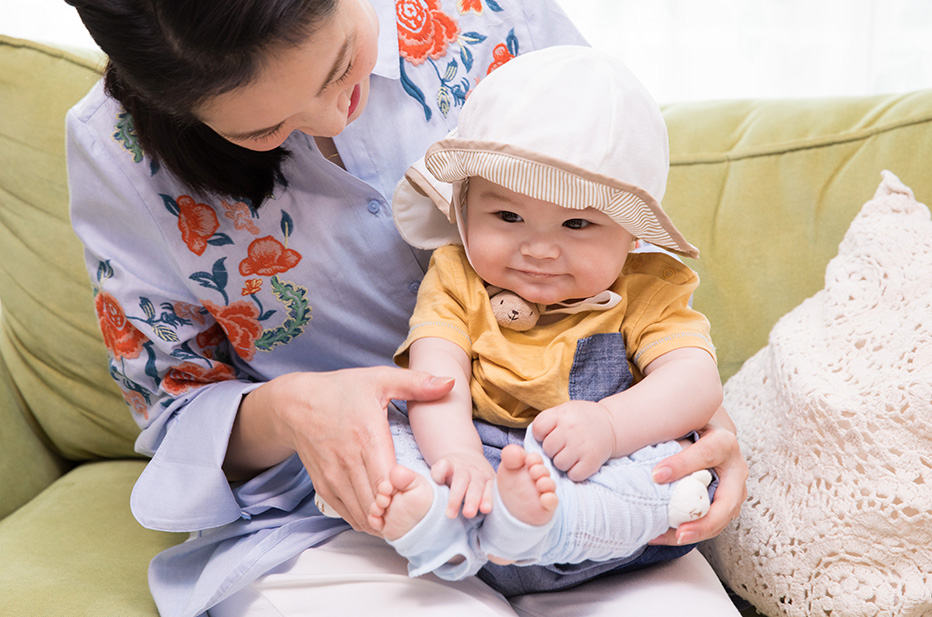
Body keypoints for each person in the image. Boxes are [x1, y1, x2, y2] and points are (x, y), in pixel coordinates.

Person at [63, 0, 748, 615]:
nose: (333, 115)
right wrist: (296, 410)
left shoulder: (494, 16)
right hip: (342, 509)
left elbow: (617, 229)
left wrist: (675, 410)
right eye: (265, 127)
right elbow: (175, 404)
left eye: (341, 64)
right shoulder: (115, 147)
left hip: (580, 474)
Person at [363, 45, 723, 590]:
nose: (538, 249)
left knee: (676, 470)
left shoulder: (646, 287)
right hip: (475, 457)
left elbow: (695, 381)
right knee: (389, 436)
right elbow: (435, 377)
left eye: (577, 224)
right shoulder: (457, 275)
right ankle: (435, 523)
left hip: (595, 472)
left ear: (632, 237)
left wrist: (611, 425)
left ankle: (543, 529)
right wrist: (458, 458)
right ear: (462, 208)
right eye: (507, 215)